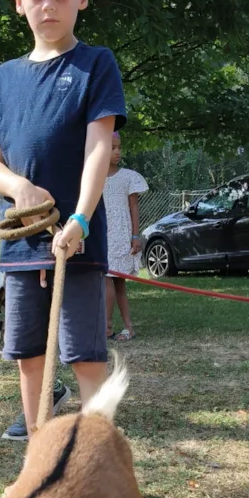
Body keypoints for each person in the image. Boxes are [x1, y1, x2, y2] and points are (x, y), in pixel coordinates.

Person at [0, 0, 125, 440]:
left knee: (85, 356)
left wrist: (81, 217)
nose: (49, 6)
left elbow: (99, 150)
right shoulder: (5, 79)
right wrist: (19, 189)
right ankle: (40, 461)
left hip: (76, 241)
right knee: (28, 356)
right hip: (23, 245)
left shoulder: (95, 65)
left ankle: (95, 462)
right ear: (19, 3)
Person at [0, 61, 70, 439]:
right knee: (22, 345)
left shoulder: (21, 143)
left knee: (53, 342)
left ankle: (47, 409)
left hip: (44, 254)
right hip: (18, 258)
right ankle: (42, 403)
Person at [103, 132, 147, 341]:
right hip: (102, 233)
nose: (117, 151)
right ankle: (120, 327)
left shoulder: (128, 177)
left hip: (121, 233)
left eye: (119, 147)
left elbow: (134, 207)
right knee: (111, 280)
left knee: (115, 280)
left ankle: (110, 328)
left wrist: (135, 236)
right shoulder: (93, 177)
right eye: (112, 147)